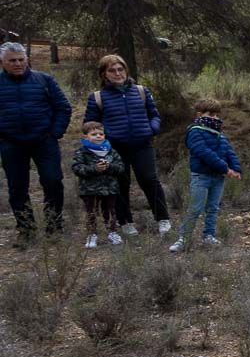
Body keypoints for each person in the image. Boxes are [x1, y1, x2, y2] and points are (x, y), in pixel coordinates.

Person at [83, 54, 171, 235]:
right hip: (114, 148)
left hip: (142, 144)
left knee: (149, 180)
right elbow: (90, 124)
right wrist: (103, 138)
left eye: (120, 69)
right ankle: (125, 222)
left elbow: (154, 115)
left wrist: (151, 129)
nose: (117, 73)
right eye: (112, 70)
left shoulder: (141, 91)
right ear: (104, 74)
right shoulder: (97, 97)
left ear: (125, 70)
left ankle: (162, 219)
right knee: (120, 184)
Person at [0, 40, 72, 246]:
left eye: (21, 59)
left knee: (53, 182)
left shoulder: (44, 80)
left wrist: (55, 133)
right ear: (2, 62)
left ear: (27, 60)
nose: (17, 63)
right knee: (17, 188)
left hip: (44, 141)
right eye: (12, 60)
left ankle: (54, 227)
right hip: (11, 144)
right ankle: (26, 229)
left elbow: (63, 107)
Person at [169, 99, 241, 252]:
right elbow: (203, 152)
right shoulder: (194, 131)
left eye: (216, 115)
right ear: (200, 114)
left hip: (218, 177)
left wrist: (236, 168)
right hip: (201, 176)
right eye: (211, 114)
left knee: (213, 208)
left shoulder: (219, 133)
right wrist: (225, 168)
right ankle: (184, 238)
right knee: (195, 208)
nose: (214, 118)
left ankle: (208, 235)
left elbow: (229, 151)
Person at [71, 121, 126, 248]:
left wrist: (109, 166)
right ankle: (92, 234)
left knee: (111, 211)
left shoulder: (111, 151)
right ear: (86, 137)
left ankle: (112, 232)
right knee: (92, 212)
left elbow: (121, 168)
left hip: (110, 188)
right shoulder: (82, 152)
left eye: (101, 134)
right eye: (94, 134)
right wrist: (94, 169)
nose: (98, 136)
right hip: (90, 189)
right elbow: (77, 168)